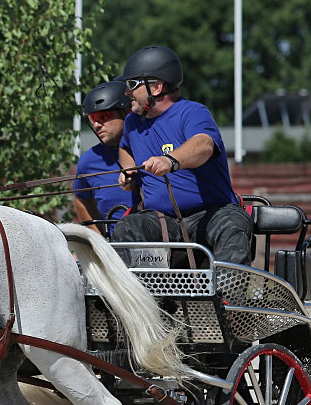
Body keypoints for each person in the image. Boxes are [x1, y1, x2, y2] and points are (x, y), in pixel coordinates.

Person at [113, 46, 252, 265]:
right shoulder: (132, 123)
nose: (127, 92)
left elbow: (203, 145)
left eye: (132, 85)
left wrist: (170, 161)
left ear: (157, 87)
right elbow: (125, 148)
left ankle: (228, 297)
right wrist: (128, 170)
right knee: (128, 227)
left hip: (211, 215)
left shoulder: (192, 112)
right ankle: (134, 299)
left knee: (232, 223)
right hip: (162, 220)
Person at [73, 80, 140, 236]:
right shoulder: (88, 161)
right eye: (92, 119)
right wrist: (100, 241)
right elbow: (81, 199)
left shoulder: (150, 147)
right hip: (117, 249)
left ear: (127, 113)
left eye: (103, 116)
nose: (97, 125)